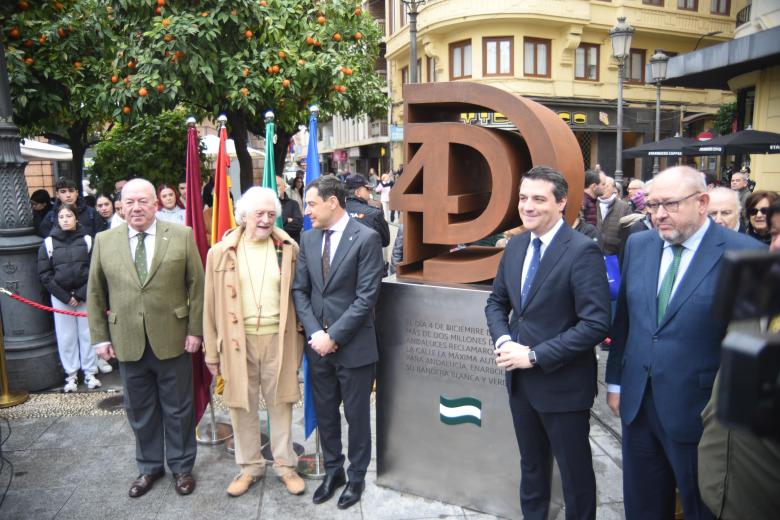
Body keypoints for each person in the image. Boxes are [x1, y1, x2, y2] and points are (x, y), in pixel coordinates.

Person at [605, 166, 765, 520]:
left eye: (671, 204)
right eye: (653, 204)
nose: (659, 214)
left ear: (702, 202)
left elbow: (752, 349)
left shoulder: (747, 254)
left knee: (701, 506)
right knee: (643, 505)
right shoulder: (640, 244)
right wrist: (615, 381)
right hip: (637, 405)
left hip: (702, 413)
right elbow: (627, 320)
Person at [484, 166, 611, 520]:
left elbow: (596, 323)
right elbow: (497, 303)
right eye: (524, 198)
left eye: (538, 199)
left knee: (575, 478)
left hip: (564, 386)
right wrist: (505, 339)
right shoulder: (516, 245)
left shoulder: (582, 250)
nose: (528, 206)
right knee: (532, 468)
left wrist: (535, 355)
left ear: (561, 203)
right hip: (521, 383)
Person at [87, 178, 204, 498]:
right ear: (121, 206)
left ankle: (182, 467)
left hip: (174, 337)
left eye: (143, 201)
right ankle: (149, 467)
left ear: (156, 204)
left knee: (179, 408)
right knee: (139, 409)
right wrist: (100, 338)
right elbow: (95, 292)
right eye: (129, 202)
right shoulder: (104, 240)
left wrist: (196, 331)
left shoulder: (181, 235)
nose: (136, 207)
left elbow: (197, 286)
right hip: (127, 339)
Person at [203, 187, 306, 498]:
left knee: (282, 403)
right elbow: (209, 305)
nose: (265, 219)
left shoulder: (288, 249)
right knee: (240, 405)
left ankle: (285, 466)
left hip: (279, 338)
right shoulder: (220, 252)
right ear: (243, 216)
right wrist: (211, 350)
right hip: (237, 342)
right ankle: (249, 467)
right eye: (259, 214)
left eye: (271, 214)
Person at [292, 176, 384, 510]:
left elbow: (366, 297)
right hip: (318, 347)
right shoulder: (308, 237)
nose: (307, 211)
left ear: (333, 201)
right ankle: (334, 470)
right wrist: (317, 334)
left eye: (311, 203)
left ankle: (356, 475)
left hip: (355, 347)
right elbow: (301, 290)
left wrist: (334, 336)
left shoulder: (366, 239)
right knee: (326, 413)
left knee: (357, 417)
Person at [38, 204, 101, 392]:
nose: (65, 219)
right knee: (66, 336)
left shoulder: (88, 240)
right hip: (61, 297)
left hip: (84, 295)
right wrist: (66, 297)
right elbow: (44, 274)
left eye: (69, 216)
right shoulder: (48, 243)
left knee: (87, 333)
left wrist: (80, 294)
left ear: (76, 218)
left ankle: (90, 372)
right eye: (62, 216)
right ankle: (71, 375)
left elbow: (94, 268)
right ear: (57, 220)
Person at [345, 174, 390, 248]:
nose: (370, 192)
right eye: (367, 189)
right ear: (357, 192)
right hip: (368, 257)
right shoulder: (374, 213)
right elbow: (385, 241)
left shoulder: (337, 211)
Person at [597, 176, 632, 256]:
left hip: (614, 256)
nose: (603, 188)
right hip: (594, 254)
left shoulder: (624, 207)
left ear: (614, 189)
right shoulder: (592, 205)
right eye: (601, 185)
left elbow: (627, 234)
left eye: (606, 186)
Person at [276, 174, 303, 243]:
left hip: (289, 246)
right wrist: (287, 220)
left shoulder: (293, 204)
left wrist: (277, 226)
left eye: (277, 185)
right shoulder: (265, 205)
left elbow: (298, 225)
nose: (274, 188)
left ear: (284, 187)